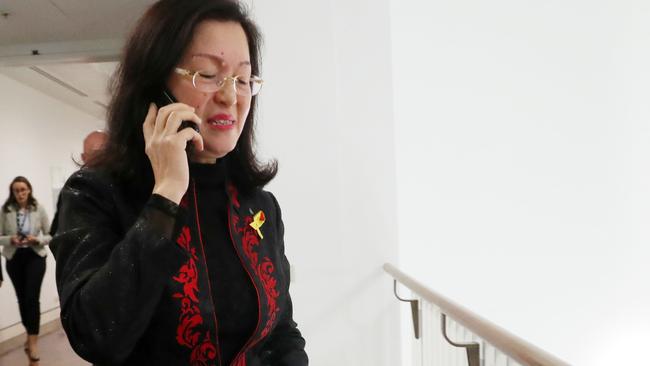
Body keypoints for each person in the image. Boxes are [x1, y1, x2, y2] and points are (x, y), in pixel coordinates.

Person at [50, 1, 308, 365]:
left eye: (243, 78)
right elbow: (95, 336)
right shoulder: (96, 194)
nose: (230, 96)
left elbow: (281, 331)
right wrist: (167, 192)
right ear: (157, 86)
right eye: (207, 74)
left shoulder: (258, 205)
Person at [0, 176, 51, 365]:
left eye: (23, 190)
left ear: (29, 190)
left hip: (34, 257)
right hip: (14, 258)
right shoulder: (6, 210)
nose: (20, 194)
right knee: (22, 299)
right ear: (12, 192)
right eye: (16, 191)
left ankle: (33, 342)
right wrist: (10, 240)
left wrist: (36, 240)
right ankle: (29, 337)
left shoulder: (39, 208)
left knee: (32, 298)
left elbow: (50, 234)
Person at [50, 130, 108, 236]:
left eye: (106, 153)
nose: (102, 160)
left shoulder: (125, 186)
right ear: (83, 157)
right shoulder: (76, 188)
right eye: (97, 155)